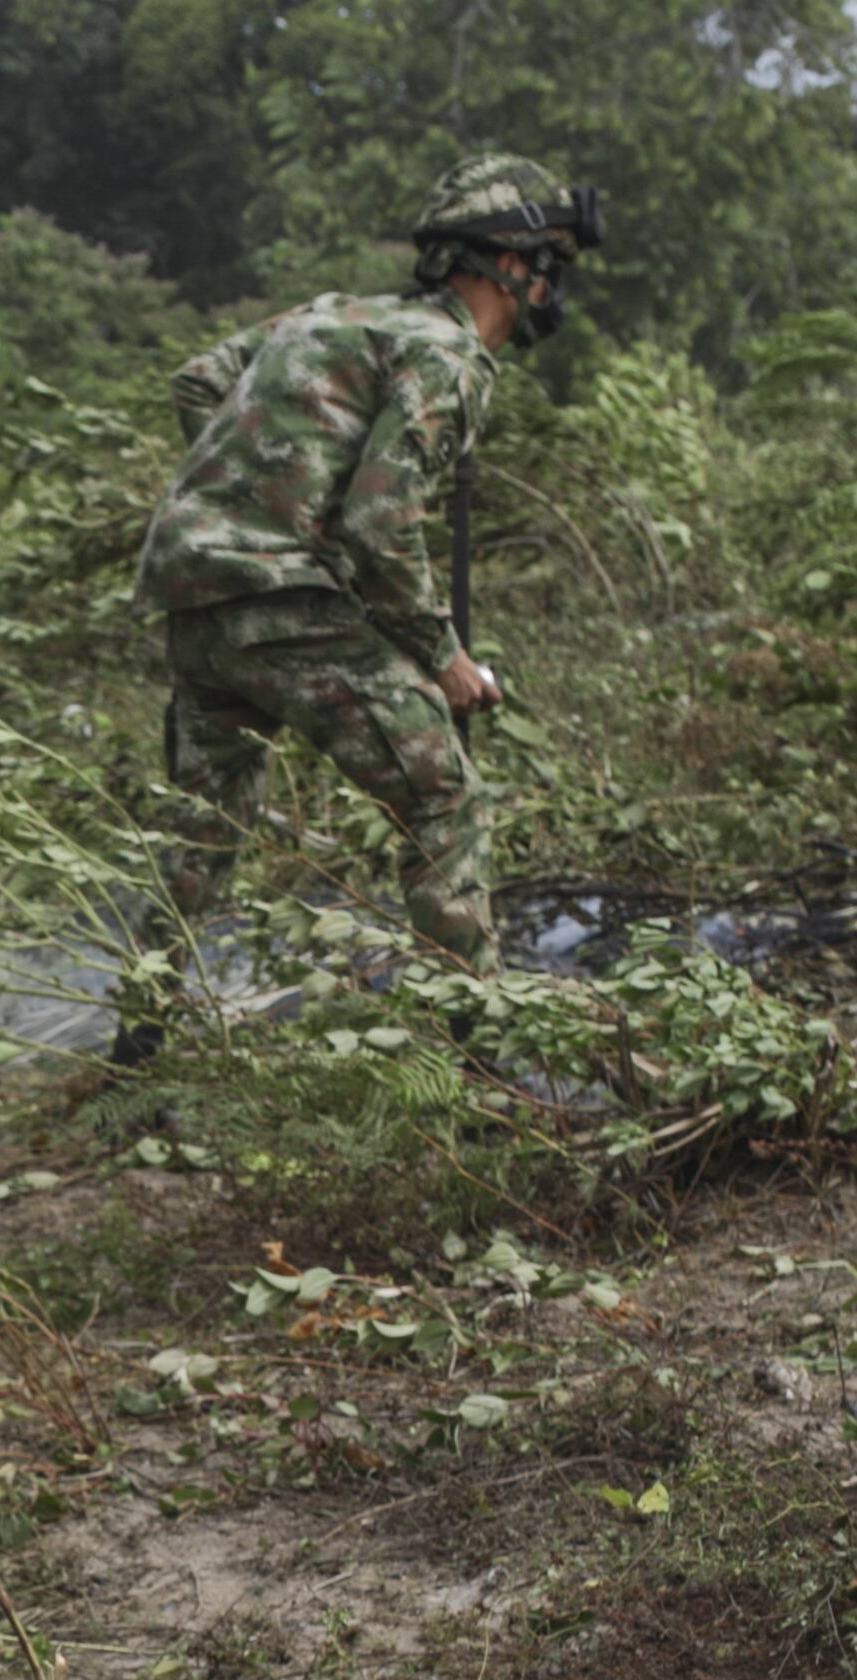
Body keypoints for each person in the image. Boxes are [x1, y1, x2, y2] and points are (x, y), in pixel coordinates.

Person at [127, 151, 596, 1038]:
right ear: (509, 264)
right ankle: (483, 1063)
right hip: (278, 598)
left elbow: (198, 379)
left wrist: (256, 496)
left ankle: (135, 1049)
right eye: (549, 267)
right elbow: (381, 524)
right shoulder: (448, 353)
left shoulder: (339, 315)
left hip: (193, 593)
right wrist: (445, 658)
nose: (551, 289)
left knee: (202, 830)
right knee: (442, 800)